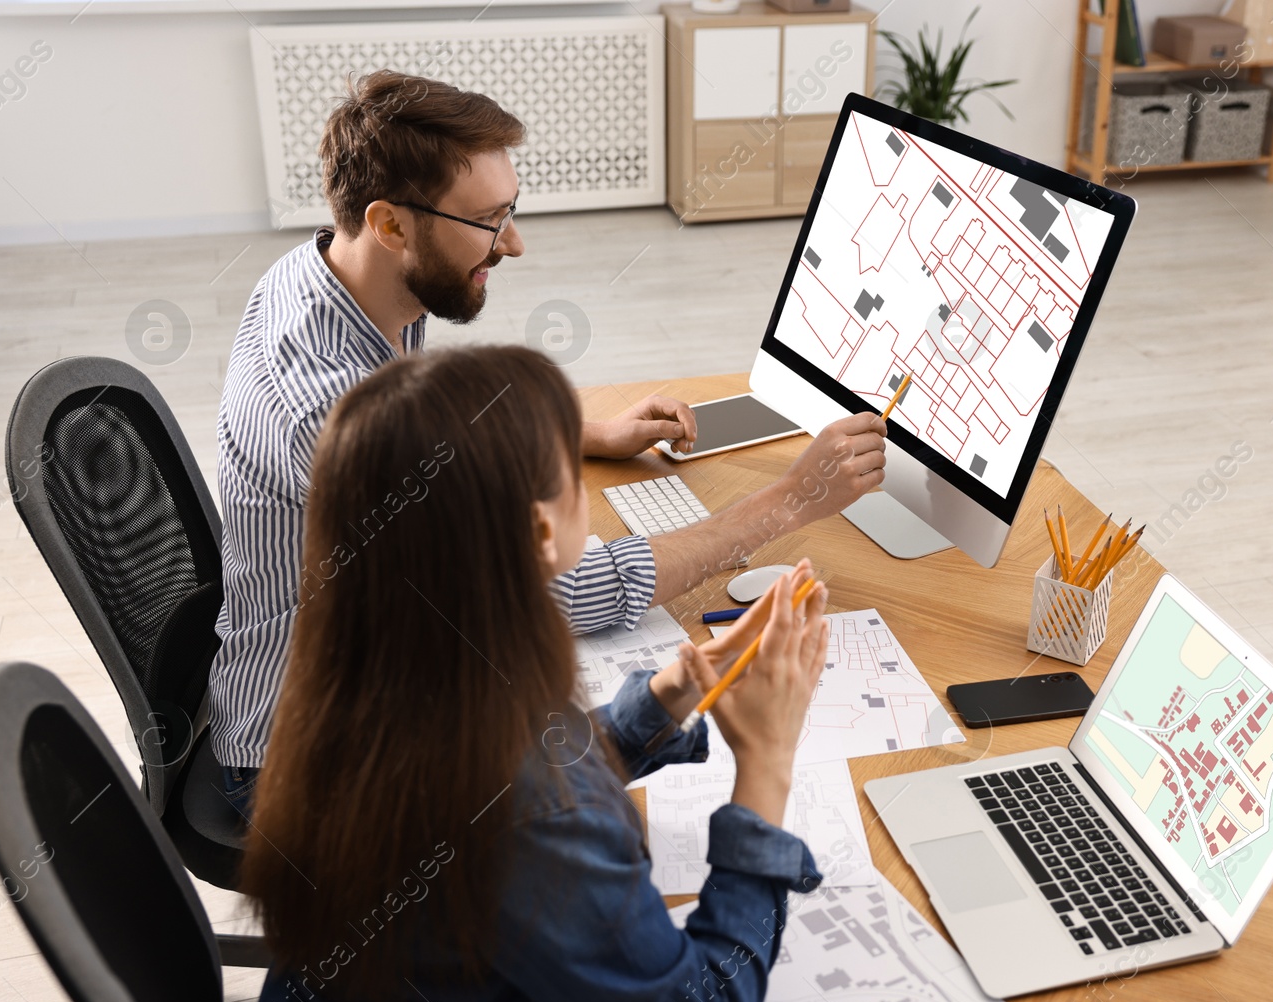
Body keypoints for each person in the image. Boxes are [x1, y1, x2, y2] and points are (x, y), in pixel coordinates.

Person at [210, 69, 888, 807]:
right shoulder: (333, 415)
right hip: (308, 771)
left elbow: (433, 424)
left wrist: (584, 431)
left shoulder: (334, 279)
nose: (515, 244)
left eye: (511, 210)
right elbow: (563, 591)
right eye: (488, 220)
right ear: (391, 224)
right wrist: (791, 501)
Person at [241, 343, 828, 1002]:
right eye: (574, 476)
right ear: (543, 532)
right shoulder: (535, 812)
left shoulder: (365, 674)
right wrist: (765, 766)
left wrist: (663, 700)